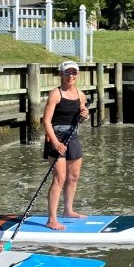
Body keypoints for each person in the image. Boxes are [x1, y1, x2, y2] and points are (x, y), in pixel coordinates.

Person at [43, 60, 90, 230]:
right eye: (67, 73)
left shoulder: (81, 95)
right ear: (61, 75)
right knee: (59, 178)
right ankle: (51, 219)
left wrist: (85, 115)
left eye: (74, 73)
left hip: (73, 136)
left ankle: (68, 210)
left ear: (78, 75)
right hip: (56, 137)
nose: (71, 76)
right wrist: (55, 142)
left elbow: (82, 118)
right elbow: (46, 121)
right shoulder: (55, 94)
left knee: (73, 177)